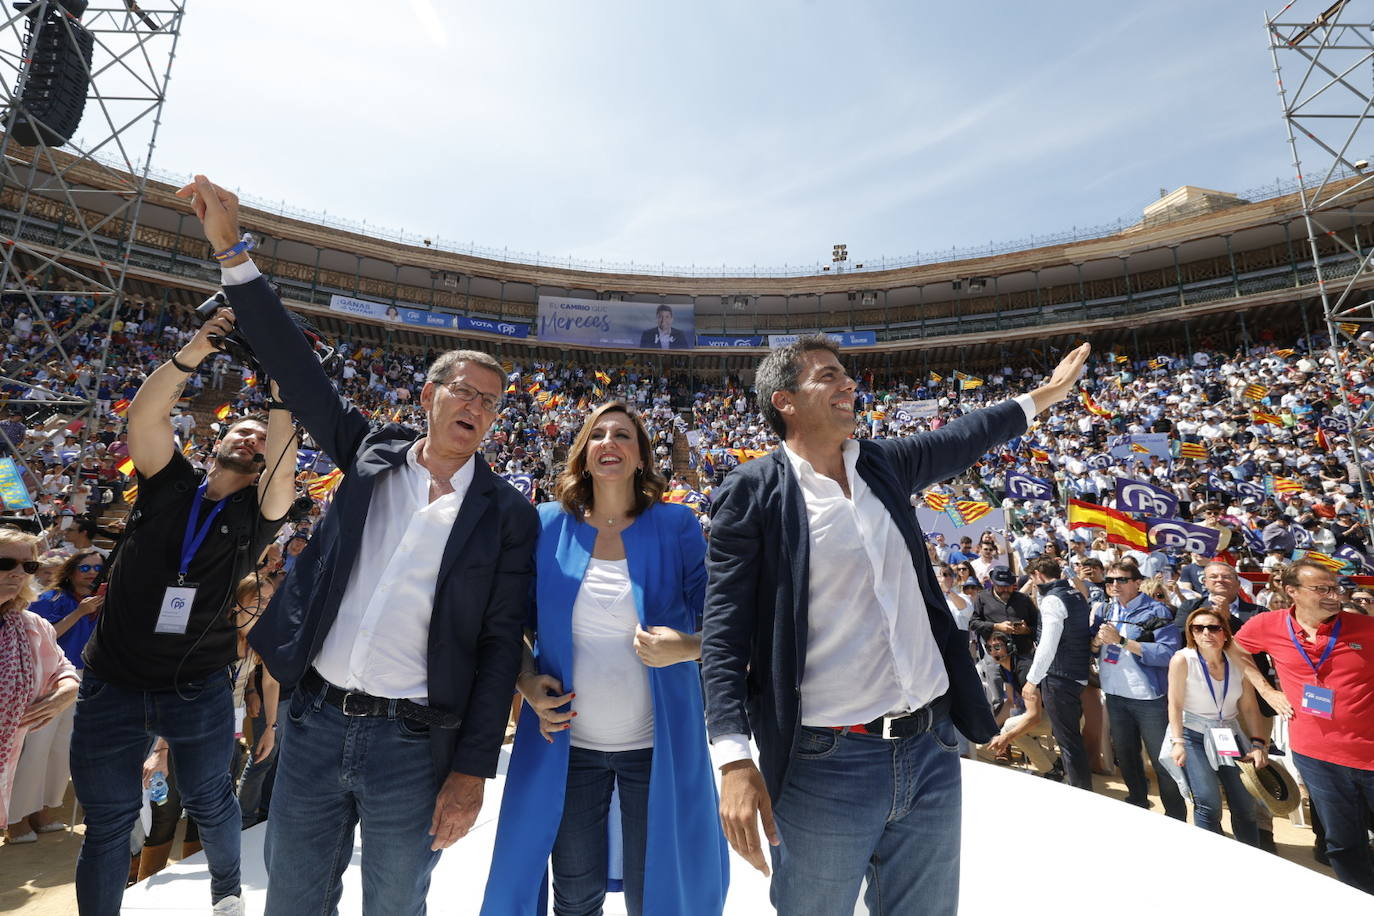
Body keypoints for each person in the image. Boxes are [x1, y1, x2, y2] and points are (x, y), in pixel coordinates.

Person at [179, 175, 541, 913]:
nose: (476, 407)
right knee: (293, 901)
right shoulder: (371, 453)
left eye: (491, 403)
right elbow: (297, 367)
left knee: (396, 906)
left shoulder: (508, 515)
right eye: (463, 392)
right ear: (429, 399)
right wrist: (232, 251)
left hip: (414, 748)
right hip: (313, 724)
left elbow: (501, 644)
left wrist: (472, 772)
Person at [702, 336, 1089, 915]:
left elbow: (964, 436)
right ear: (784, 400)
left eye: (846, 374)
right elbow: (724, 633)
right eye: (828, 376)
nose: (848, 384)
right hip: (825, 762)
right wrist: (733, 759)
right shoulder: (757, 490)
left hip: (931, 748)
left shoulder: (880, 464)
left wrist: (1046, 396)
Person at [68, 304, 297, 916]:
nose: (250, 437)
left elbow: (281, 468)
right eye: (239, 429)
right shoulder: (167, 481)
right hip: (112, 680)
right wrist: (196, 349)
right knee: (110, 823)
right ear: (215, 441)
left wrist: (279, 398)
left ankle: (226, 895)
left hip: (194, 685)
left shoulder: (259, 514)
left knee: (212, 799)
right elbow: (145, 415)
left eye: (259, 435)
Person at [484, 401, 728, 915]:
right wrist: (525, 680)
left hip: (656, 749)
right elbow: (512, 625)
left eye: (623, 435)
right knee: (574, 896)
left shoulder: (678, 526)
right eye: (598, 435)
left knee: (655, 897)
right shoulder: (545, 525)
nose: (609, 442)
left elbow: (725, 628)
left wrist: (683, 647)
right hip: (568, 749)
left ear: (641, 456)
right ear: (583, 455)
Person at [1227, 559, 1374, 895]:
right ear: (1291, 591)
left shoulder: (1366, 629)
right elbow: (1236, 649)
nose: (1333, 595)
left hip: (1370, 754)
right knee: (1342, 841)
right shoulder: (1267, 624)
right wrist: (1266, 689)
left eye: (1335, 588)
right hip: (1316, 757)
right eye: (1321, 589)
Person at [6, 550, 103, 842]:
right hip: (46, 680)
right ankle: (16, 819)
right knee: (35, 750)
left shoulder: (104, 604)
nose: (90, 573)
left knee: (61, 751)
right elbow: (43, 639)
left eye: (97, 569)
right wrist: (79, 613)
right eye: (84, 567)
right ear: (71, 570)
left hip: (82, 681)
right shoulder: (50, 601)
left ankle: (44, 810)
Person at [1093, 560, 1187, 820]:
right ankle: (1137, 802)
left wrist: (1122, 641)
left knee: (1162, 761)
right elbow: (1094, 648)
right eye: (1109, 581)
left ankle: (1176, 816)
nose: (1114, 585)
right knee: (1125, 755)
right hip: (1114, 694)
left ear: (1137, 582)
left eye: (1121, 580)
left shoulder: (1157, 610)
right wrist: (1096, 641)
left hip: (1149, 698)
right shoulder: (1103, 609)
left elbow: (1168, 653)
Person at [0, 528, 79, 835]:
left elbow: (63, 669)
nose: (19, 572)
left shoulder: (32, 625)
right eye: (7, 563)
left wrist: (67, 691)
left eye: (29, 566)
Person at [1167, 608, 1268, 846]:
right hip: (1193, 735)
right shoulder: (1183, 659)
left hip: (1228, 735)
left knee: (1245, 803)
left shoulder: (1238, 662)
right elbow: (1175, 703)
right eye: (1198, 628)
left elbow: (1250, 707)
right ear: (1191, 633)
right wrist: (1178, 742)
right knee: (1208, 802)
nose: (1206, 633)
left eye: (1213, 627)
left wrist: (1258, 743)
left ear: (1225, 633)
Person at [1022, 556, 1092, 790]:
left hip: (1059, 678)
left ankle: (1081, 794)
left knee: (1068, 743)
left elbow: (1047, 645)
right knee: (1071, 739)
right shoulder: (1075, 594)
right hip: (1076, 674)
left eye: (1032, 579)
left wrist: (1032, 681)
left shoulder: (1053, 600)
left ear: (1038, 576)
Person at [969, 565, 1039, 657]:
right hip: (995, 655)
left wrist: (1026, 630)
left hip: (1023, 654)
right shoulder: (982, 598)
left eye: (1009, 586)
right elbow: (974, 623)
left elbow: (1038, 626)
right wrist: (996, 626)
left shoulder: (1024, 599)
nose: (1005, 589)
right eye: (1001, 586)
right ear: (993, 583)